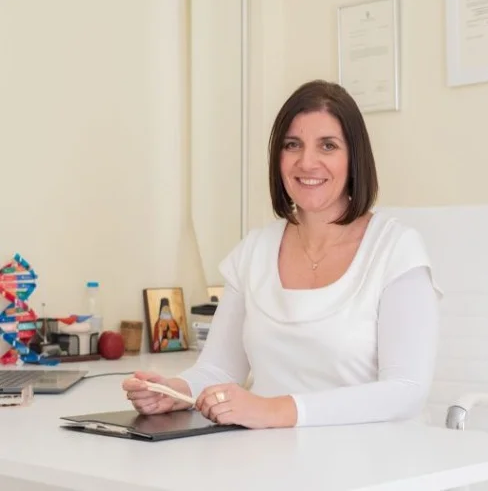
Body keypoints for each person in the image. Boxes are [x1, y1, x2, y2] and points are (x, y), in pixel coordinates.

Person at [123, 80, 441, 429]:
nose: (307, 162)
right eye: (293, 145)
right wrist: (175, 391)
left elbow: (406, 390)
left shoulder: (396, 249)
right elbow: (219, 369)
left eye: (328, 146)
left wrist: (274, 410)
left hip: (370, 455)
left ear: (354, 158)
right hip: (267, 452)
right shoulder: (254, 251)